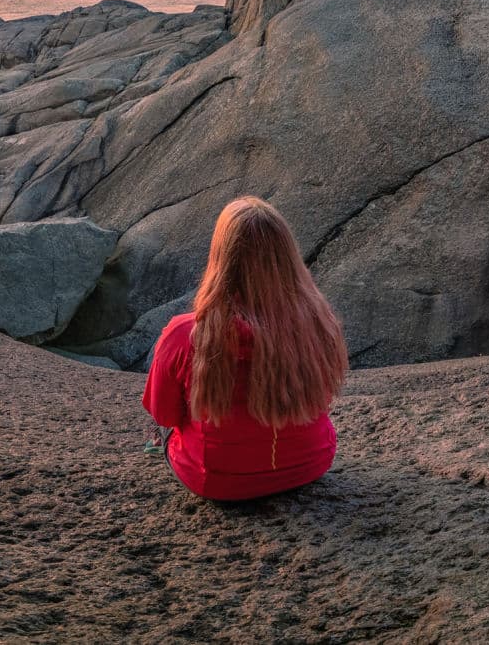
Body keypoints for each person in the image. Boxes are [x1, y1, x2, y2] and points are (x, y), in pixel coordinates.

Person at [141, 196, 347, 501]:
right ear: (287, 257)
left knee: (159, 431)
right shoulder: (318, 323)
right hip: (311, 464)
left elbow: (165, 413)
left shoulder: (187, 334)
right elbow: (323, 398)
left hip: (217, 480)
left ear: (221, 257)